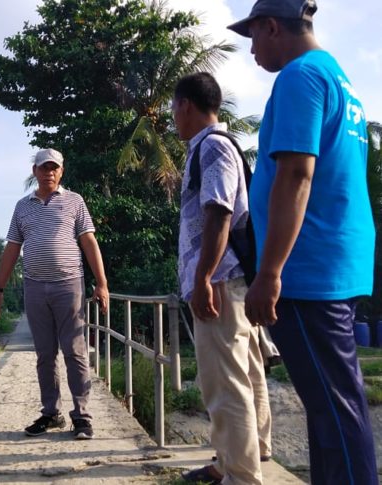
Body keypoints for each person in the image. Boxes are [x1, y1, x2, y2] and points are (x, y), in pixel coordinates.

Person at [228, 1, 378, 483]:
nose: (252, 49)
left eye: (253, 36)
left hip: (308, 266)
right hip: (335, 259)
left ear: (272, 27)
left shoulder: (299, 77)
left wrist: (269, 272)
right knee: (330, 407)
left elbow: (296, 174)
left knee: (337, 410)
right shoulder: (338, 77)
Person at [172, 72, 270, 485]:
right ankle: (242, 457)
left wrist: (203, 277)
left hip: (218, 281)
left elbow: (218, 212)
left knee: (224, 382)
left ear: (186, 105)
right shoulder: (218, 145)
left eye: (174, 108)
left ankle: (242, 475)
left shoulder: (211, 146)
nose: (173, 117)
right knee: (245, 372)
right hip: (229, 279)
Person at [0, 148, 108, 440]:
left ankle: (81, 416)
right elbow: (12, 248)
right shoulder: (22, 207)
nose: (49, 173)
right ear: (35, 171)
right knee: (44, 354)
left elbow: (89, 241)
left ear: (61, 171)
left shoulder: (74, 201)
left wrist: (102, 283)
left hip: (69, 285)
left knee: (74, 351)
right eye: (44, 168)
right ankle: (50, 413)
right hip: (34, 286)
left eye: (54, 168)